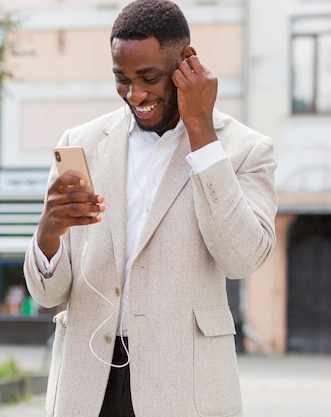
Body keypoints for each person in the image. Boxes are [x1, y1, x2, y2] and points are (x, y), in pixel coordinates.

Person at [23, 0, 277, 416]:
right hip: (86, 387)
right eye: (121, 79)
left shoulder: (244, 150)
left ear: (187, 64)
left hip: (184, 390)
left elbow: (242, 260)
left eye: (149, 77)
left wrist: (201, 133)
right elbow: (46, 292)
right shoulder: (81, 143)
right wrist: (48, 232)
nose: (135, 94)